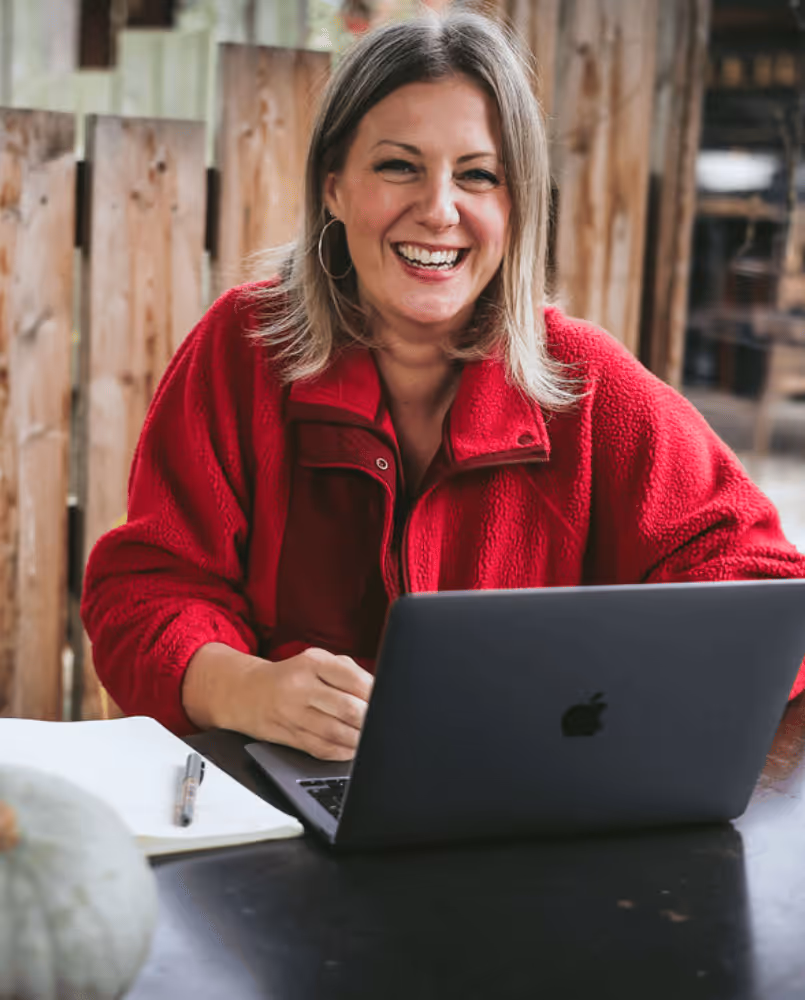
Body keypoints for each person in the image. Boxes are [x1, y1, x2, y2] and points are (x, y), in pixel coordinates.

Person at [81, 10, 805, 761]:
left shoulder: (584, 384)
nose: (437, 209)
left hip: (516, 815)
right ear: (333, 186)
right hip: (276, 813)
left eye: (477, 175)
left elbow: (765, 596)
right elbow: (143, 591)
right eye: (398, 165)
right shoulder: (244, 348)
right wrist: (240, 688)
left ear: (515, 205)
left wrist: (594, 700)